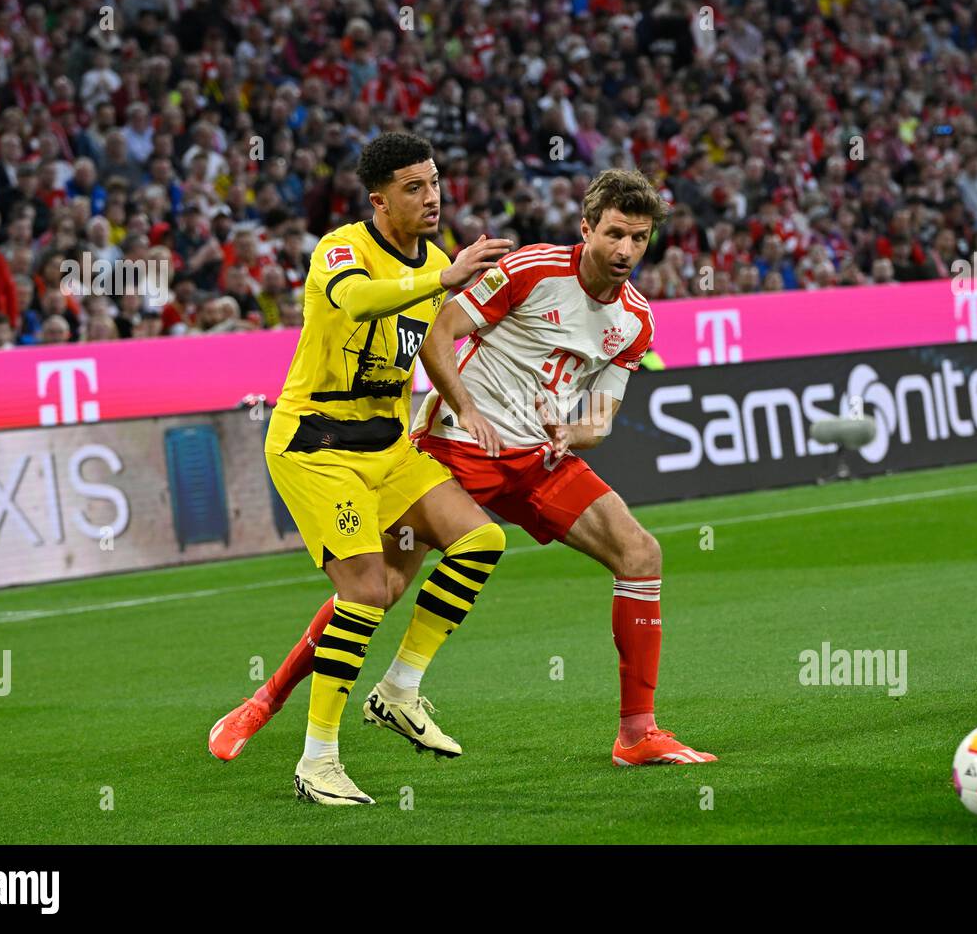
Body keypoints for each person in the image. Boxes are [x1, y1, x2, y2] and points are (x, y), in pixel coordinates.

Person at [214, 168, 716, 768]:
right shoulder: (532, 270)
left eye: (639, 238)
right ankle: (264, 702)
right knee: (378, 590)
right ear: (586, 228)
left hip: (538, 458)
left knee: (641, 554)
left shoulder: (635, 322)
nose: (626, 250)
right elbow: (438, 332)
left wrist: (571, 432)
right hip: (456, 447)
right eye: (615, 234)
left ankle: (637, 733)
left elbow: (601, 421)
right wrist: (467, 408)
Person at [208, 133, 512, 806]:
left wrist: (462, 405)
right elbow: (358, 302)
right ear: (379, 201)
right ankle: (317, 762)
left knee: (481, 539)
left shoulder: (433, 259)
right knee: (368, 592)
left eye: (434, 183)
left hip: (388, 447)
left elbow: (430, 341)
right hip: (317, 446)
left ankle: (400, 688)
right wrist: (444, 278)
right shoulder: (341, 249)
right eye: (413, 187)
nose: (431, 197)